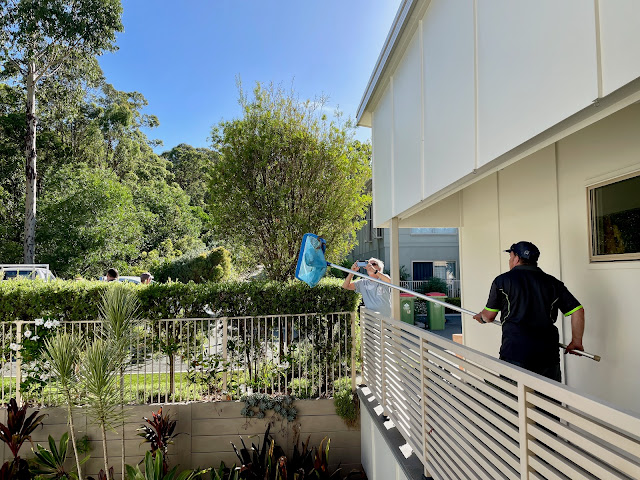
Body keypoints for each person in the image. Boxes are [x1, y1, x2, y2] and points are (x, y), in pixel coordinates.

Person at [472, 241, 585, 382]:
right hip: (547, 355)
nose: (510, 260)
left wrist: (481, 318)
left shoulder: (502, 281)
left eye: (510, 256)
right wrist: (576, 341)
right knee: (547, 395)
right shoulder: (553, 283)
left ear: (517, 258)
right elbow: (578, 310)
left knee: (515, 394)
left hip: (515, 353)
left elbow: (488, 316)